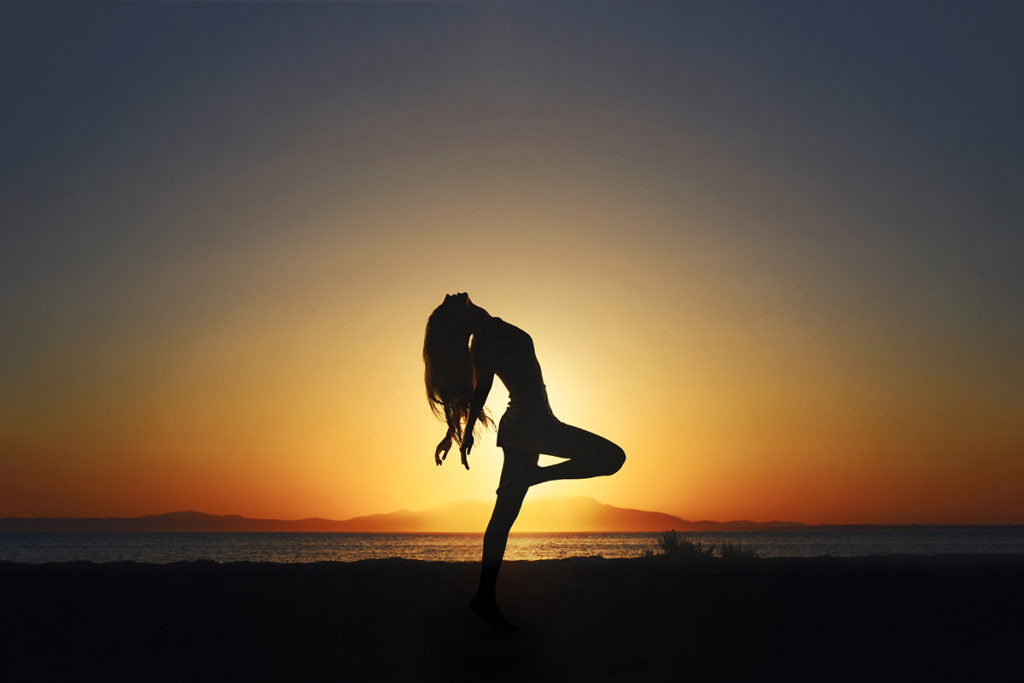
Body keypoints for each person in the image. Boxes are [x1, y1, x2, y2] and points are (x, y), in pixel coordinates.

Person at [423, 292, 625, 630]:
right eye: (449, 303)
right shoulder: (485, 337)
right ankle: (535, 476)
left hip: (531, 424)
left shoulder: (489, 330)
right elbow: (482, 390)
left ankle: (484, 597)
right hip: (530, 424)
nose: (451, 293)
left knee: (503, 517)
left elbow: (479, 390)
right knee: (611, 457)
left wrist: (453, 432)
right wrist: (463, 432)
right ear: (461, 317)